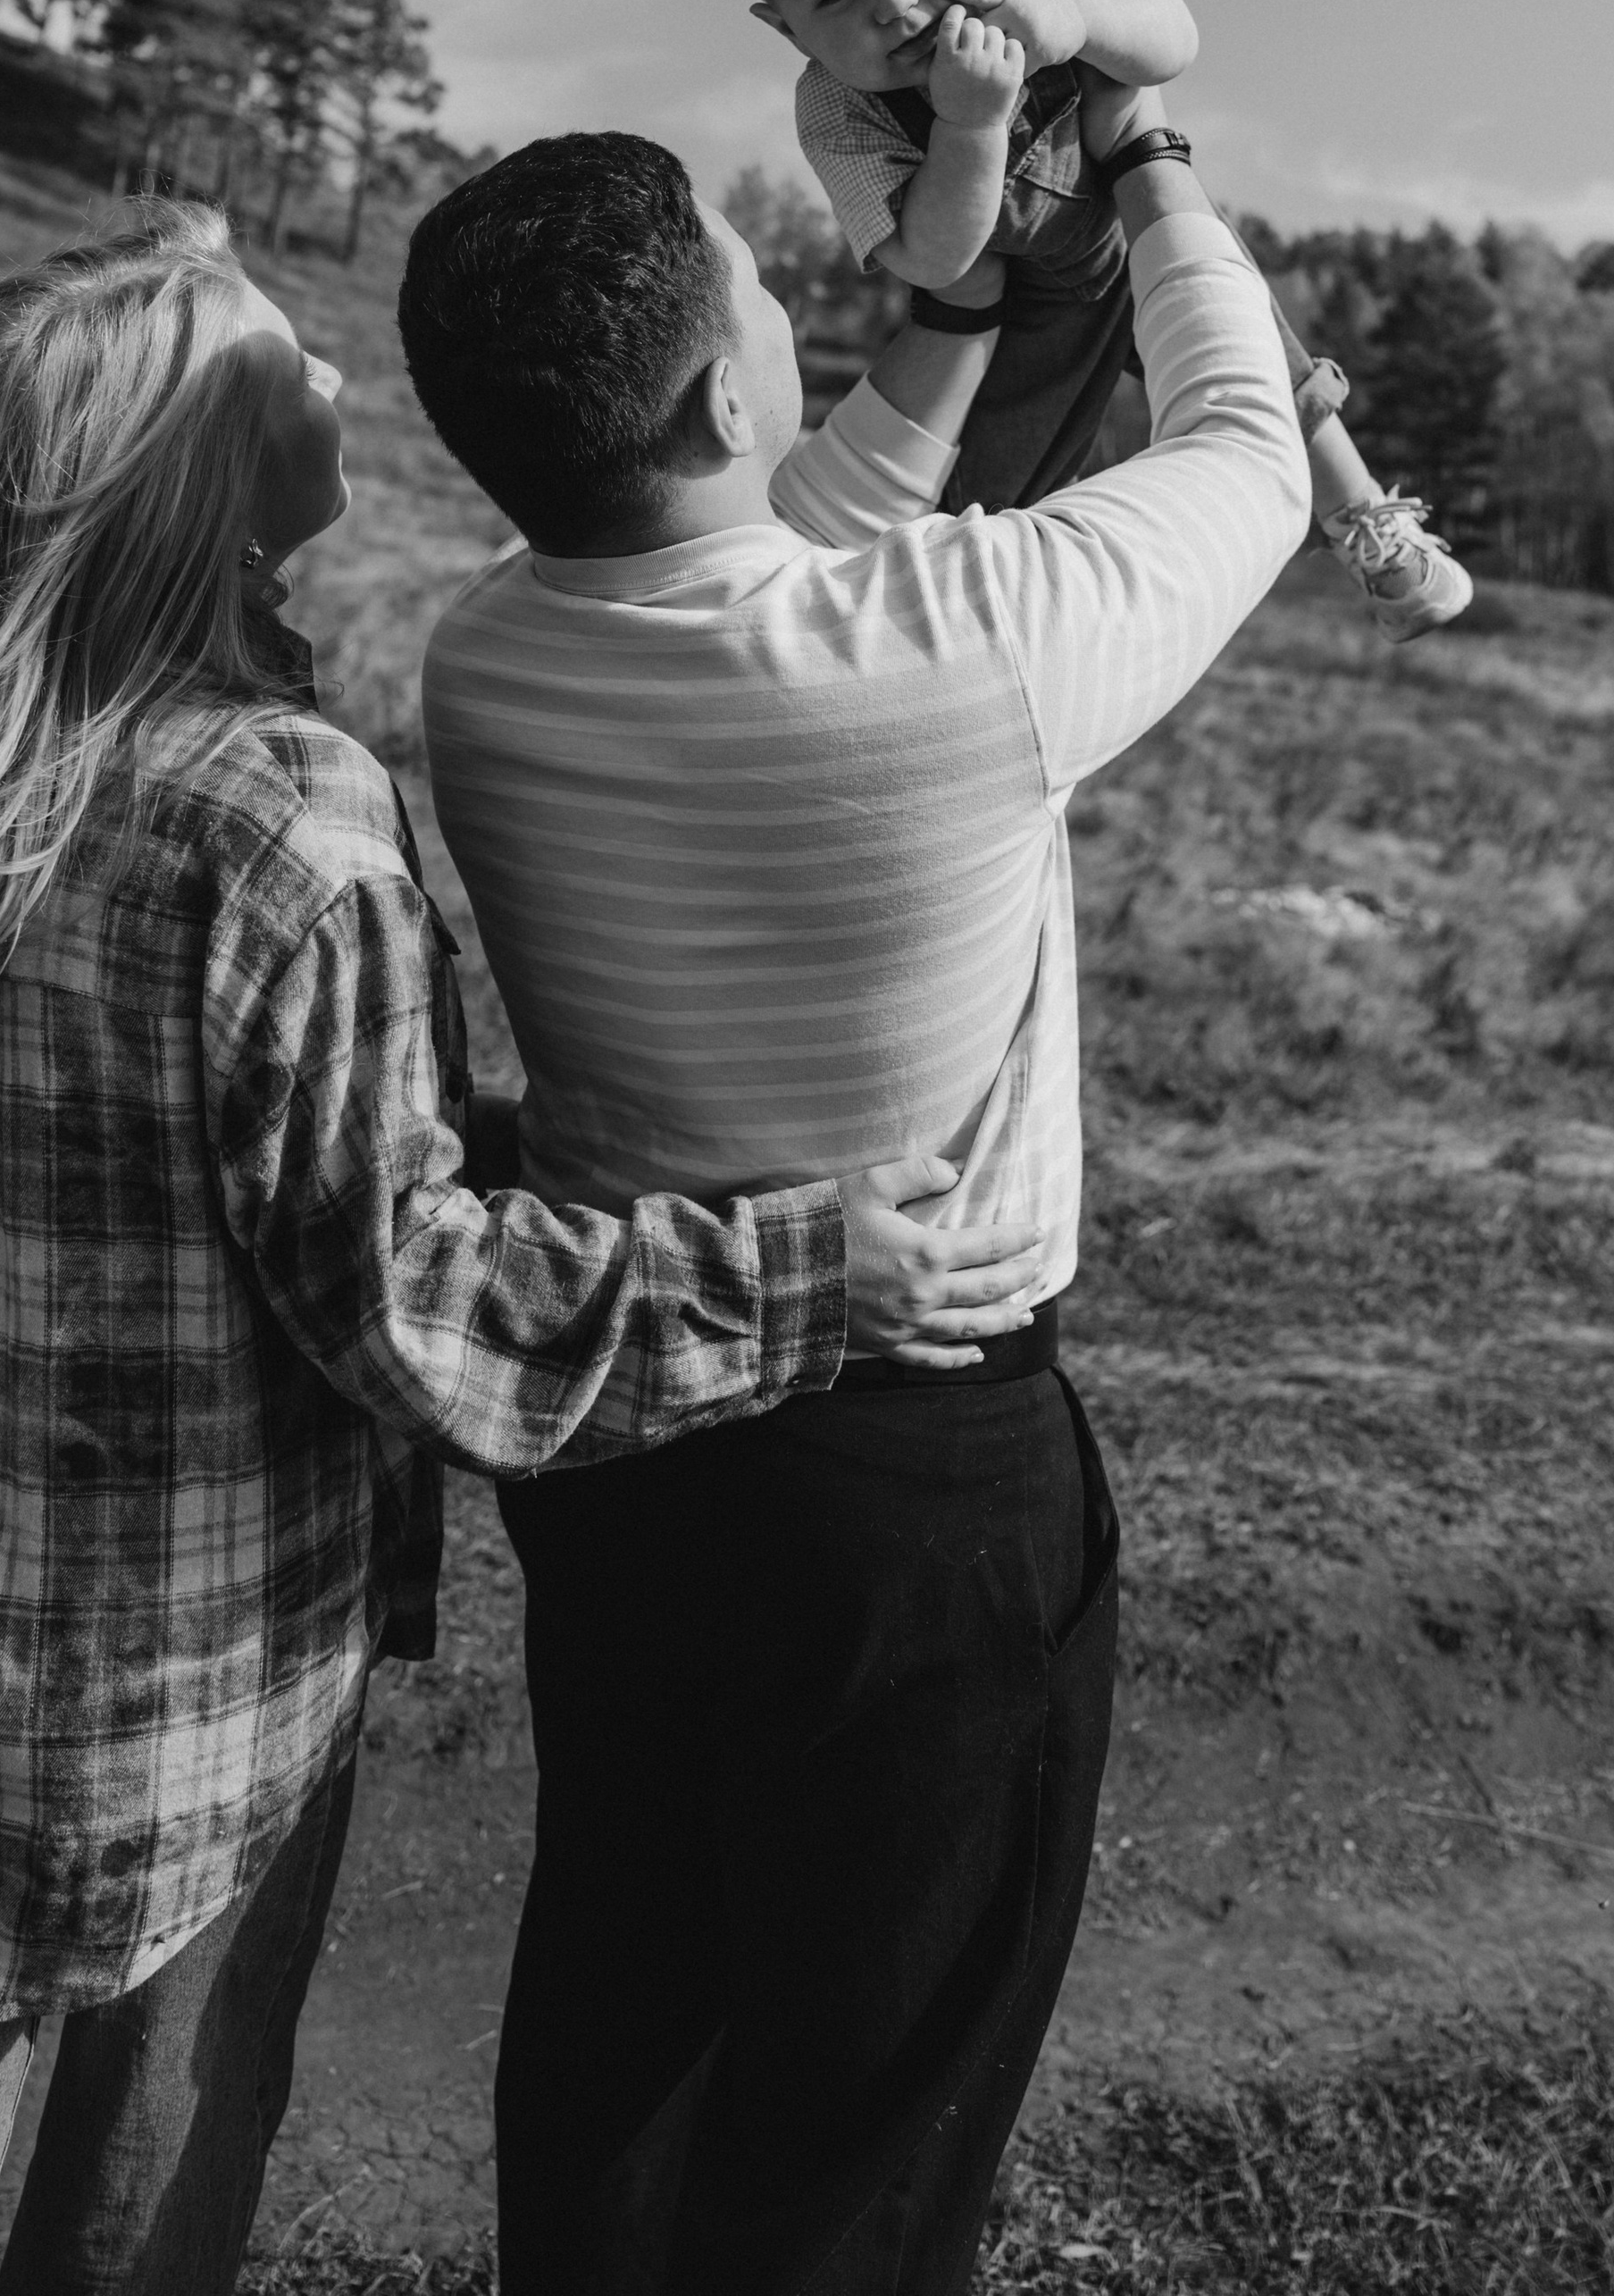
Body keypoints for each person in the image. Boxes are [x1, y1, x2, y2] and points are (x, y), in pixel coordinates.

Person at [0, 200, 1043, 2296]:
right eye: (270, 355)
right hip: (177, 1729)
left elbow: (109, 1163)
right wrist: (798, 1272)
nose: (327, 373)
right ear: (185, 485)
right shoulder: (274, 813)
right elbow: (412, 1304)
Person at [401, 113, 1315, 2292]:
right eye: (749, 276)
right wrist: (1162, 161)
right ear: (724, 388)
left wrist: (945, 315)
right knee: (863, 2124)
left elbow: (758, 540)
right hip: (902, 1480)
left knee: (630, 1987)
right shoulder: (970, 641)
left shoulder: (485, 664)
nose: (774, 297)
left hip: (627, 1434)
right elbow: (1251, 446)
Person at [710, 0, 1473, 640]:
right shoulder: (837, 110)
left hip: (1137, 218)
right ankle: (991, 642)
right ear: (784, 28)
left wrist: (1075, 16)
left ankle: (1364, 524)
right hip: (1035, 310)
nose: (896, 0)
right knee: (997, 491)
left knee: (1268, 364)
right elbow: (932, 259)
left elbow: (1172, 33)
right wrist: (970, 127)